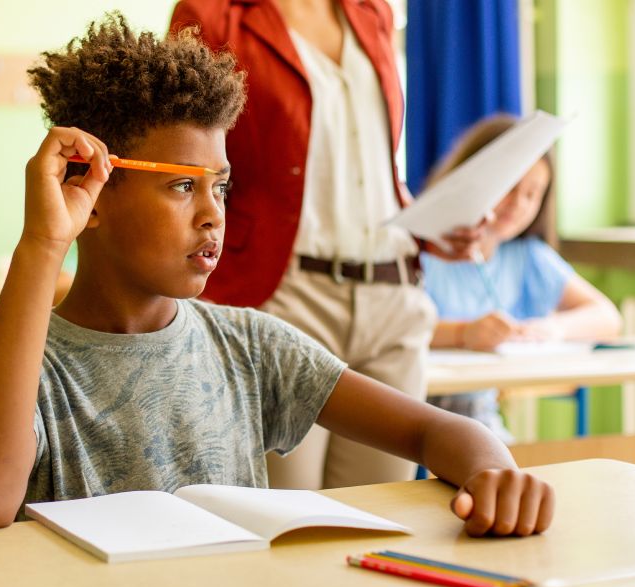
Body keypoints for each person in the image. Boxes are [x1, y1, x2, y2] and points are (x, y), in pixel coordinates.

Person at [0, 15, 554, 539]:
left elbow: (436, 429)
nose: (213, 216)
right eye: (183, 186)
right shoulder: (27, 367)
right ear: (90, 193)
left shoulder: (251, 346)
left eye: (222, 187)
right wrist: (43, 242)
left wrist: (492, 473)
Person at [169, 0, 482, 489]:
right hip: (287, 297)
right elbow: (185, 158)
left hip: (392, 293)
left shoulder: (371, 12)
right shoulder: (213, 18)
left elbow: (369, 164)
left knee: (381, 514)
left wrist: (427, 223)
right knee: (288, 521)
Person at [422, 114, 622, 442]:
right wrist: (463, 333)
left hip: (480, 425)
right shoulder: (421, 250)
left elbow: (607, 317)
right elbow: (390, 330)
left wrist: (552, 328)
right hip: (418, 414)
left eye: (532, 194)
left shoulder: (527, 257)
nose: (518, 204)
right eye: (509, 187)